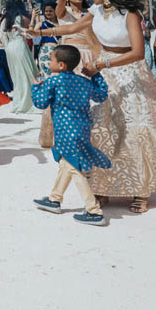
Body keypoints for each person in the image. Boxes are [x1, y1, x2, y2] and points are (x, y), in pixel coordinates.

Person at [32, 0, 156, 214]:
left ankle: (141, 190)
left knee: (136, 131)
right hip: (104, 74)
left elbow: (137, 52)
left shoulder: (130, 14)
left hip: (130, 74)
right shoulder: (95, 12)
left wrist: (104, 63)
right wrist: (39, 33)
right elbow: (71, 30)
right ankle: (104, 187)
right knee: (103, 130)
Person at [31, 45, 111, 226]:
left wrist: (36, 88)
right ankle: (55, 199)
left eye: (50, 59)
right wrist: (96, 75)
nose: (48, 62)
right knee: (67, 164)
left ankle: (94, 210)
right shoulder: (84, 82)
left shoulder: (53, 81)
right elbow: (101, 95)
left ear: (61, 65)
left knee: (74, 168)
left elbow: (41, 103)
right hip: (82, 129)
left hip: (65, 131)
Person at [0, 0, 36, 115]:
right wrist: (33, 17)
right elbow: (30, 33)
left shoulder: (5, 20)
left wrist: (7, 47)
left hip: (10, 47)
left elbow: (2, 36)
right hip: (20, 45)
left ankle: (19, 101)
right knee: (26, 73)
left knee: (16, 75)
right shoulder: (21, 17)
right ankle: (28, 102)